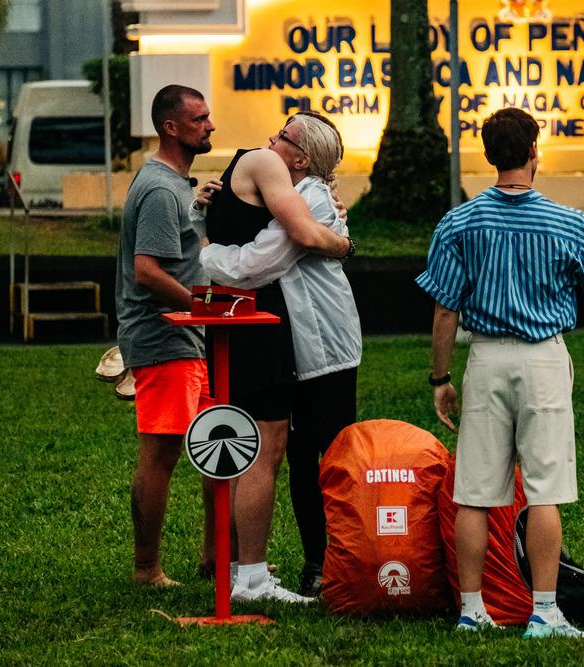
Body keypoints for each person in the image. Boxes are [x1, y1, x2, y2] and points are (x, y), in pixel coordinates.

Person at [416, 107, 584, 639]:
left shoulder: (458, 222)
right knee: (545, 490)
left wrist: (440, 377)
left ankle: (471, 610)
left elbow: (444, 308)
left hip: (486, 358)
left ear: (489, 154)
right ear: (533, 152)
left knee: (474, 492)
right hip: (543, 356)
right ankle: (544, 612)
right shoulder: (569, 222)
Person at [199, 111, 361, 599]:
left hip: (326, 347)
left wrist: (206, 252)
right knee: (296, 457)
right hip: (294, 344)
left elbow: (257, 262)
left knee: (331, 457)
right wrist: (203, 207)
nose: (271, 138)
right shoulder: (281, 192)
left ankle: (335, 562)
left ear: (303, 157)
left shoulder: (311, 197)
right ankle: (314, 563)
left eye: (283, 136)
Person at [115, 84, 217, 587]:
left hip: (189, 339)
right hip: (163, 339)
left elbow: (178, 248)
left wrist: (197, 206)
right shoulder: (159, 189)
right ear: (170, 128)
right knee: (162, 455)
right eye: (199, 119)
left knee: (214, 444)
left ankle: (216, 560)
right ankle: (146, 568)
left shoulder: (175, 185)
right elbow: (147, 271)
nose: (210, 125)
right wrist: (204, 308)